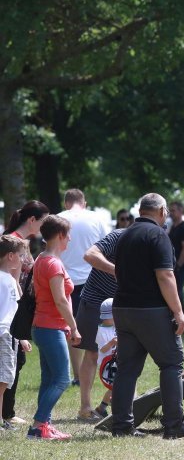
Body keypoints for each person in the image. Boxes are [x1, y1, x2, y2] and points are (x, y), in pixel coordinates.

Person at [112, 193, 184, 439]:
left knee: (127, 369)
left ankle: (122, 426)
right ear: (161, 211)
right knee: (171, 364)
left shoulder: (125, 233)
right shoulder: (158, 234)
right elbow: (165, 276)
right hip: (150, 310)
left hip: (123, 309)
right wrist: (178, 312)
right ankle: (174, 425)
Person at [28, 215, 81, 440]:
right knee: (62, 379)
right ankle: (38, 425)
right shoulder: (52, 262)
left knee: (49, 379)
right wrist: (74, 327)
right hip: (50, 328)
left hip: (44, 326)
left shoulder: (42, 258)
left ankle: (44, 427)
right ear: (60, 236)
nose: (69, 239)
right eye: (68, 235)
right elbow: (60, 300)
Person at [57, 188, 109, 391]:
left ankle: (77, 374)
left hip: (63, 280)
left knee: (70, 328)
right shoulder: (96, 219)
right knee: (94, 329)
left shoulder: (58, 218)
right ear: (84, 202)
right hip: (92, 280)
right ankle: (94, 369)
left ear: (65, 203)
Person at [2, 201, 48, 427]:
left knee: (16, 361)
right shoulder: (13, 242)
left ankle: (7, 411)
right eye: (42, 221)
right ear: (32, 220)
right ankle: (6, 412)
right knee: (11, 361)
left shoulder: (25, 242)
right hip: (10, 306)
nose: (43, 226)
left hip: (19, 306)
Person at [74, 226, 126, 421]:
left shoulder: (150, 244)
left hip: (123, 304)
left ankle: (115, 406)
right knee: (92, 352)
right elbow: (90, 255)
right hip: (95, 301)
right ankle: (85, 408)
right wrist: (117, 271)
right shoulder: (118, 236)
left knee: (125, 353)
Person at [0, 235, 25, 431]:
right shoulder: (7, 280)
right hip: (5, 335)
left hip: (6, 333)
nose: (22, 258)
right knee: (3, 381)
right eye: (20, 255)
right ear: (10, 256)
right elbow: (12, 312)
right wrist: (18, 335)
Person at [168, 201, 184, 314]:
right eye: (170, 211)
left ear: (181, 211)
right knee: (173, 291)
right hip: (174, 265)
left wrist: (178, 265)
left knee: (177, 291)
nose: (171, 213)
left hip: (182, 266)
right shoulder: (173, 228)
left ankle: (181, 320)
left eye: (173, 211)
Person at [94, 297, 117, 417]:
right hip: (108, 364)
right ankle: (114, 408)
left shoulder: (115, 327)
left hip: (116, 362)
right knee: (115, 386)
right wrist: (112, 343)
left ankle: (101, 408)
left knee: (115, 387)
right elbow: (102, 349)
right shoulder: (101, 331)